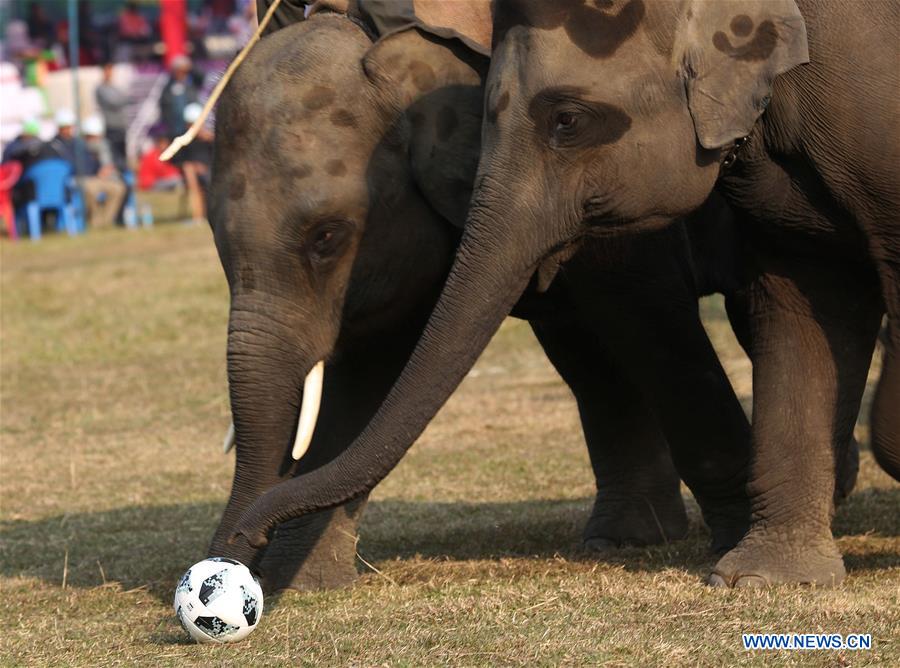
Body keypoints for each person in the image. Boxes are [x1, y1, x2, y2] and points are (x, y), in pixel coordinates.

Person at [77, 116, 127, 229]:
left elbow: (120, 162)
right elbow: (80, 167)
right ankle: (94, 220)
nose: (94, 140)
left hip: (109, 178)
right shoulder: (80, 148)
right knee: (90, 190)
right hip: (90, 178)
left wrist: (111, 168)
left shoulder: (108, 146)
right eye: (90, 137)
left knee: (118, 189)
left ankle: (107, 221)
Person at [95, 63, 129, 171]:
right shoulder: (101, 88)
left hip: (121, 125)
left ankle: (124, 177)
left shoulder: (114, 87)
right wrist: (122, 100)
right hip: (111, 126)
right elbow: (114, 102)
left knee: (122, 154)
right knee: (113, 155)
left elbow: (125, 99)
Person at [159, 55, 199, 138]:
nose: (183, 74)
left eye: (185, 71)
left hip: (193, 131)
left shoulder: (192, 84)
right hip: (175, 132)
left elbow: (200, 75)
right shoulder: (168, 88)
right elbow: (164, 109)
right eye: (180, 71)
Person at [137, 125, 183, 191]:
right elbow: (147, 179)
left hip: (162, 182)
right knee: (177, 181)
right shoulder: (151, 155)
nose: (165, 144)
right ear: (158, 142)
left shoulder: (168, 153)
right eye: (163, 142)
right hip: (151, 184)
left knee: (178, 180)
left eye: (166, 142)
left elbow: (172, 171)